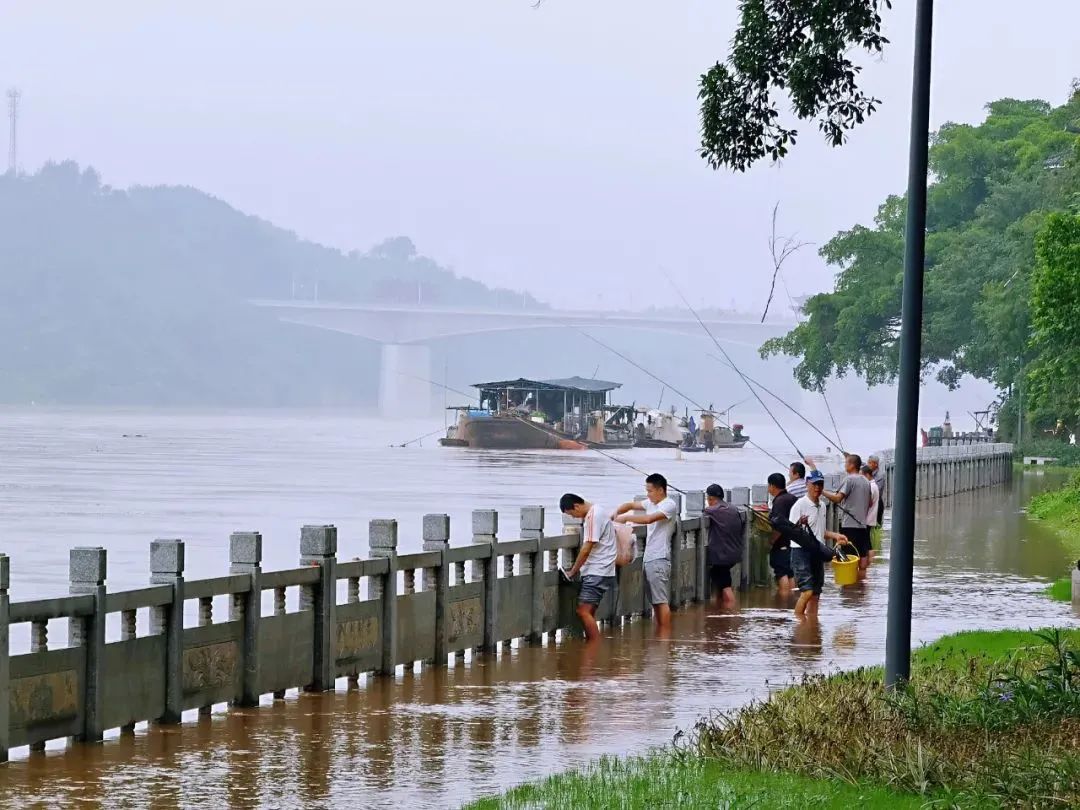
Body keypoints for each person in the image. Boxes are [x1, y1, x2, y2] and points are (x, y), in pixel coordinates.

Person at [615, 472, 677, 629]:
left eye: (650, 491)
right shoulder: (650, 503)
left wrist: (626, 518)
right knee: (655, 601)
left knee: (661, 601)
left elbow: (649, 519)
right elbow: (630, 505)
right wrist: (614, 515)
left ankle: (665, 635)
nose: (647, 494)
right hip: (649, 558)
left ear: (660, 490)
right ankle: (661, 632)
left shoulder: (668, 505)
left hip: (659, 558)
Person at [559, 493, 618, 642]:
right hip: (604, 570)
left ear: (577, 506)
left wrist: (573, 571)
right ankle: (592, 649)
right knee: (589, 611)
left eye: (572, 514)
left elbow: (586, 549)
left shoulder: (593, 516)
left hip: (597, 571)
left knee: (583, 611)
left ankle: (594, 646)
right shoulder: (599, 510)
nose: (574, 518)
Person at [789, 470, 848, 617]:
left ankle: (812, 625)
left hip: (818, 551)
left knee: (816, 593)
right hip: (801, 551)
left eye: (820, 484)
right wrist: (799, 523)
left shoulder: (822, 505)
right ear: (807, 484)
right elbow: (791, 531)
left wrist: (836, 536)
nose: (817, 488)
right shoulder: (799, 505)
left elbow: (820, 531)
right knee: (807, 591)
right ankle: (799, 624)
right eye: (814, 484)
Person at [823, 454, 872, 576]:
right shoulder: (866, 481)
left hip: (849, 525)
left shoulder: (849, 479)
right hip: (863, 525)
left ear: (851, 465)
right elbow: (870, 502)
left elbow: (837, 498)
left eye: (846, 463)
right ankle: (861, 587)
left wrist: (822, 491)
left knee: (848, 559)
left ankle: (851, 588)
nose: (844, 465)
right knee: (862, 557)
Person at [703, 483, 744, 608]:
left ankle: (731, 610)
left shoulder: (713, 510)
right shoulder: (733, 508)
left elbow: (704, 512)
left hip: (722, 555)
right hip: (735, 552)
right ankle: (720, 606)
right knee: (719, 576)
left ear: (710, 499)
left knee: (724, 583)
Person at [766, 472, 796, 593]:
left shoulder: (779, 502)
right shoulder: (792, 498)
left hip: (782, 543)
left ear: (772, 486)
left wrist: (771, 541)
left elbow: (779, 526)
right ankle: (791, 600)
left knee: (781, 573)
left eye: (768, 486)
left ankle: (783, 602)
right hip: (793, 542)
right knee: (790, 573)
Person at [861, 464, 880, 560]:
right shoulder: (874, 485)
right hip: (871, 518)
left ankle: (870, 563)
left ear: (867, 475)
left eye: (862, 476)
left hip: (867, 519)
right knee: (867, 542)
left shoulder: (870, 487)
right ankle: (871, 563)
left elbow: (868, 502)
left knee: (867, 543)